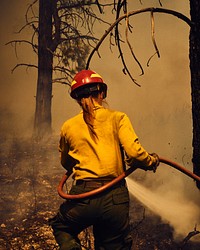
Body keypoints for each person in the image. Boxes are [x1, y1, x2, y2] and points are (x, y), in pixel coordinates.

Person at [49, 70, 159, 250]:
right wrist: (151, 161)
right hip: (115, 198)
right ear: (102, 93)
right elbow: (136, 155)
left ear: (77, 98)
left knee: (61, 226)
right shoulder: (118, 118)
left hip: (84, 196)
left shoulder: (68, 126)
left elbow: (66, 163)